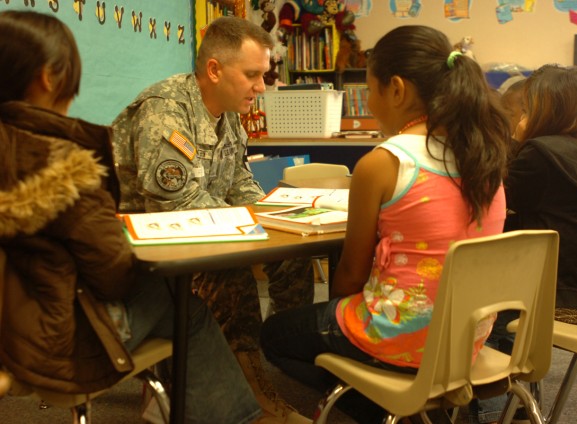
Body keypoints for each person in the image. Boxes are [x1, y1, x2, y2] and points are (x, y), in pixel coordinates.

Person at [0, 10, 285, 424]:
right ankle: (236, 416)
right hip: (56, 333)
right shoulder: (63, 163)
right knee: (183, 305)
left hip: (17, 319)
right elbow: (114, 272)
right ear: (49, 77)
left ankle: (179, 400)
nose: (261, 86)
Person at [260, 25, 511, 423]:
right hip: (467, 341)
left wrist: (340, 307)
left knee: (274, 335)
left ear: (396, 89)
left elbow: (351, 275)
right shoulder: (484, 159)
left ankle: (389, 409)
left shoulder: (384, 161)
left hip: (399, 336)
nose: (371, 102)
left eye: (371, 89)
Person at [110, 16, 312, 422]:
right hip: (143, 248)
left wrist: (274, 218)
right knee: (232, 277)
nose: (261, 86)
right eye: (253, 75)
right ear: (215, 70)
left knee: (295, 255)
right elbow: (176, 202)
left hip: (206, 231)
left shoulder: (229, 111)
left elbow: (239, 177)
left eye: (264, 75)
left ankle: (281, 354)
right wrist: (253, 227)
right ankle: (248, 388)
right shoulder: (165, 111)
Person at [472, 64, 577, 424]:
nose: (523, 115)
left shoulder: (540, 154)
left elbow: (493, 202)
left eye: (529, 107)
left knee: (485, 302)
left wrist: (516, 142)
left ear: (547, 109)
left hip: (565, 302)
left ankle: (500, 404)